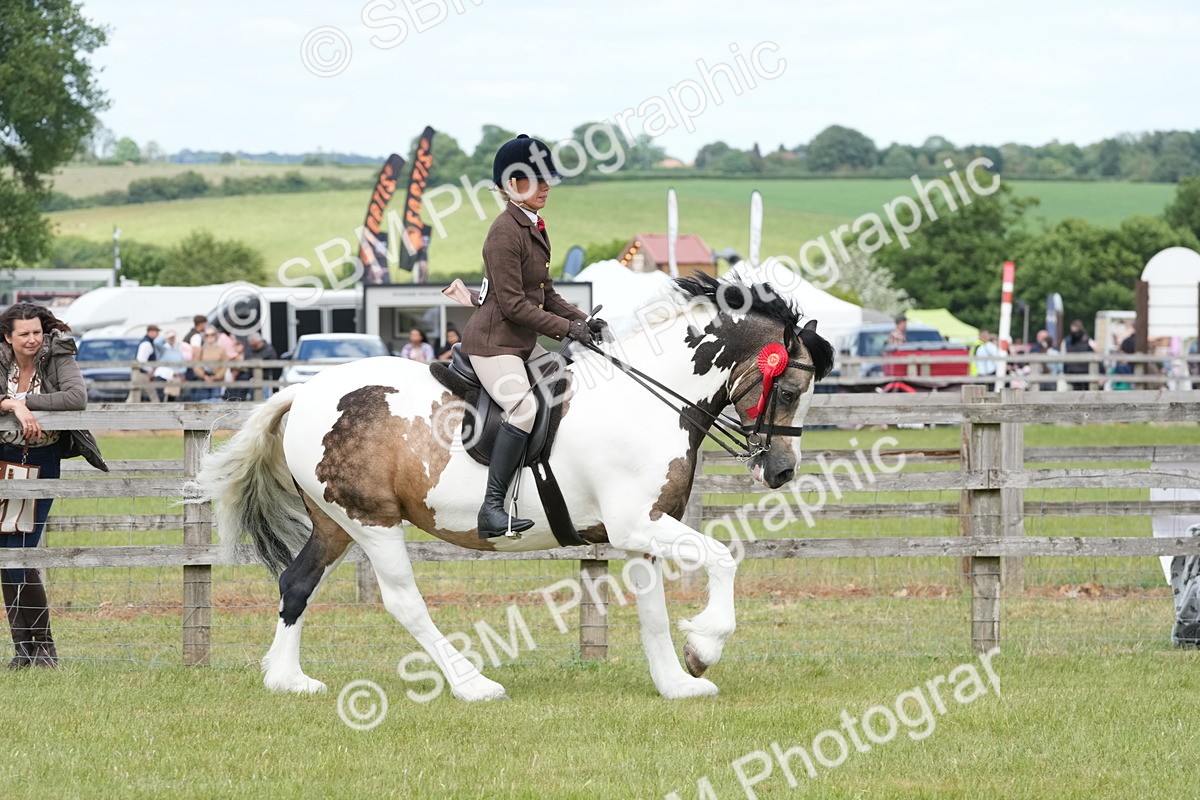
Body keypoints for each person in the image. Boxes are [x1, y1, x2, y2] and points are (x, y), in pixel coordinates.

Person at [461, 134, 607, 539]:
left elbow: (545, 294)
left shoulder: (533, 226)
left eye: (547, 180)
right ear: (510, 185)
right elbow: (513, 306)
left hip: (522, 342)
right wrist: (567, 329)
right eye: (535, 179)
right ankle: (491, 508)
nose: (546, 187)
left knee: (570, 386)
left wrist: (584, 320)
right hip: (495, 344)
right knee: (522, 410)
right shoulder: (504, 232)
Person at [0, 303, 108, 669]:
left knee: (23, 548)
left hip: (41, 461)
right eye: (23, 334)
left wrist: (25, 401)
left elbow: (76, 398)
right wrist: (8, 404)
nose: (32, 340)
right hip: (4, 457)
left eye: (36, 332)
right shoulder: (1, 359)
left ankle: (43, 647)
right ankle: (24, 649)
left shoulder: (57, 353)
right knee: (6, 551)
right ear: (8, 338)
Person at [1061, 319, 1096, 391]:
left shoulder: (1067, 340)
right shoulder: (1088, 340)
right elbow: (1096, 353)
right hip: (1083, 372)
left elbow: (1062, 356)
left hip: (1074, 372)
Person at [247, 331, 279, 399]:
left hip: (265, 379)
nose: (254, 347)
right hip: (252, 379)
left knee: (264, 399)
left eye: (255, 345)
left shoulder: (269, 349)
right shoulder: (252, 349)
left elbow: (273, 363)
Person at [135, 324, 162, 401]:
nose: (157, 334)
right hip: (143, 373)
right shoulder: (147, 344)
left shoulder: (147, 342)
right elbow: (141, 361)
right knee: (153, 396)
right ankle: (158, 411)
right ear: (150, 332)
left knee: (134, 396)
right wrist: (150, 371)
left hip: (140, 373)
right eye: (156, 332)